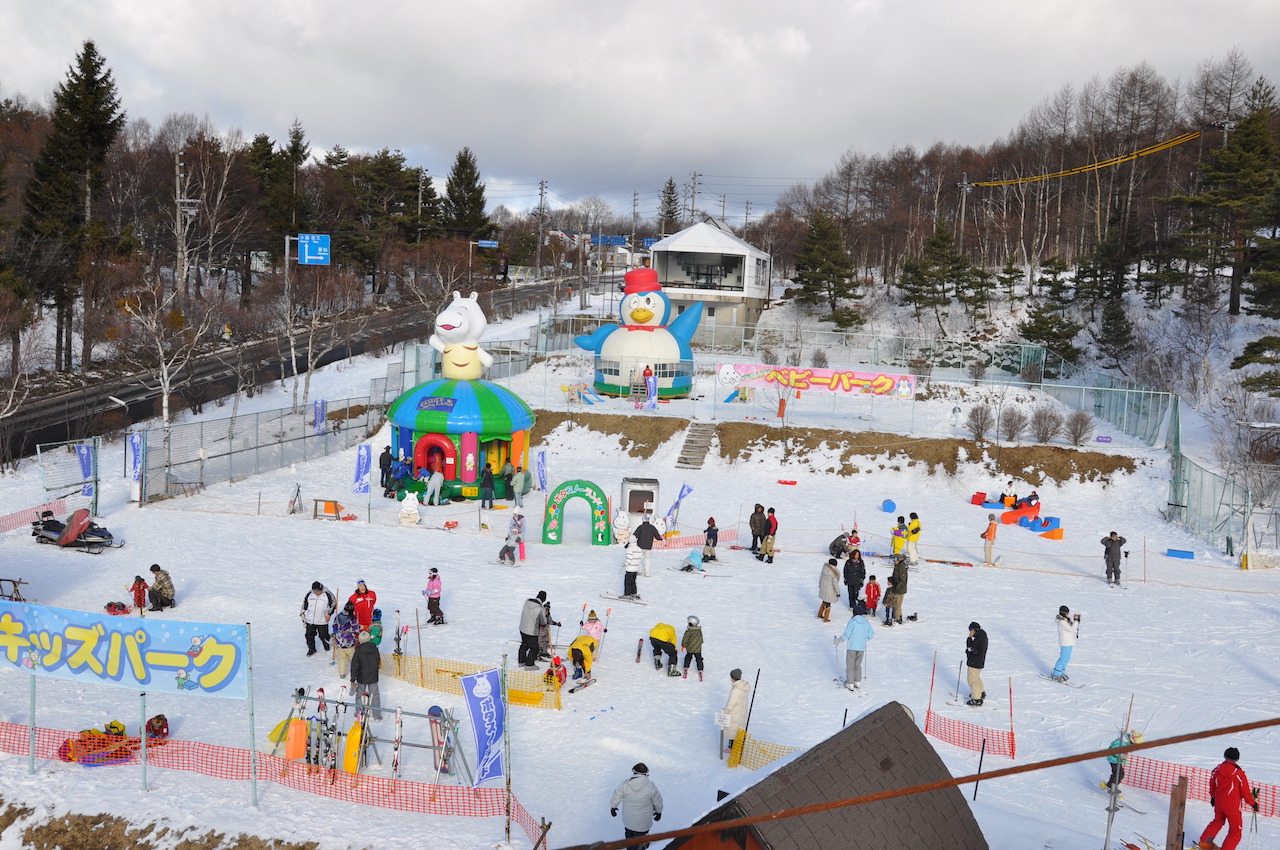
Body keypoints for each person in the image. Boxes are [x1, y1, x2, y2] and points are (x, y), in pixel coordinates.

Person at [1197, 747, 1259, 850]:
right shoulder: (1239, 773)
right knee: (1236, 831)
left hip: (1219, 802)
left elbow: (1212, 782)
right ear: (1237, 759)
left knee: (1217, 821)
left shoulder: (1217, 769)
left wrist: (1212, 796)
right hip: (1232, 806)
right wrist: (1253, 803)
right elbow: (1245, 792)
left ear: (1225, 756)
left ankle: (1204, 843)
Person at [610, 763, 663, 849]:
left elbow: (617, 795)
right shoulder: (651, 786)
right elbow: (658, 801)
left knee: (629, 842)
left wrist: (613, 807)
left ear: (634, 772)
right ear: (646, 773)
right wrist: (658, 812)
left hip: (628, 821)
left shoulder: (626, 784)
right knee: (639, 844)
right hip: (643, 824)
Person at [834, 601, 874, 690]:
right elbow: (871, 635)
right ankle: (857, 682)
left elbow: (847, 634)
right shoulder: (866, 622)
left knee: (850, 665)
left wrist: (838, 640)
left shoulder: (852, 621)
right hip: (861, 647)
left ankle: (850, 683)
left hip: (852, 647)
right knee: (857, 665)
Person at [349, 630, 383, 721]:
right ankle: (377, 715)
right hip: (373, 676)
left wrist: (352, 679)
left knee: (359, 695)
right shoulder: (375, 649)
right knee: (375, 695)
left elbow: (354, 666)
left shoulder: (358, 651)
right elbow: (377, 660)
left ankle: (358, 712)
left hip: (361, 677)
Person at [300, 581, 337, 657]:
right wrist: (303, 613)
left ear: (321, 589)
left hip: (322, 620)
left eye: (318, 591)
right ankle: (311, 649)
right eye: (315, 591)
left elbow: (333, 604)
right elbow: (304, 604)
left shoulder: (327, 594)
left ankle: (326, 646)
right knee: (309, 635)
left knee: (323, 636)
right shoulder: (309, 594)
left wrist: (329, 614)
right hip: (310, 620)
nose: (316, 593)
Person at [721, 668, 751, 751]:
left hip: (734, 713)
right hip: (741, 712)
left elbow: (731, 703)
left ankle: (731, 747)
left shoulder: (736, 690)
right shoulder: (743, 687)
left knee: (733, 730)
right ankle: (738, 745)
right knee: (738, 730)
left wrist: (725, 711)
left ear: (733, 678)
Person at [518, 591, 548, 669]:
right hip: (532, 632)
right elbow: (543, 622)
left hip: (522, 628)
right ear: (544, 599)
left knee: (524, 645)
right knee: (534, 649)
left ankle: (521, 661)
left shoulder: (527, 601)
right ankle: (529, 664)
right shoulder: (540, 608)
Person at [332, 601, 361, 678]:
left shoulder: (338, 617)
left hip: (340, 643)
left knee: (342, 659)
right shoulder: (353, 619)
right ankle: (356, 674)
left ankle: (342, 674)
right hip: (350, 643)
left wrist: (336, 635)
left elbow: (334, 627)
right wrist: (360, 627)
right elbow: (356, 629)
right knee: (353, 659)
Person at [1051, 604, 1079, 682]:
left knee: (1066, 659)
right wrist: (1076, 621)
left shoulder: (1065, 620)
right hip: (1065, 642)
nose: (1068, 614)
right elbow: (1072, 629)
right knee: (1063, 659)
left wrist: (1074, 621)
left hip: (1069, 642)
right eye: (1067, 613)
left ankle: (1061, 672)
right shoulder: (1062, 622)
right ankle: (1056, 674)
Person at [965, 622, 988, 705]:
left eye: (970, 630)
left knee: (972, 681)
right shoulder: (982, 637)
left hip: (974, 662)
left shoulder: (979, 639)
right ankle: (981, 692)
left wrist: (969, 639)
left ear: (974, 630)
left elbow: (972, 649)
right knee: (976, 678)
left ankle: (976, 698)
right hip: (979, 662)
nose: (969, 632)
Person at [680, 615, 704, 680]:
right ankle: (700, 669)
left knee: (688, 657)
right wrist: (699, 644)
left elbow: (685, 639)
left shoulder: (688, 631)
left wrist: (683, 645)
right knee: (699, 659)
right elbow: (701, 639)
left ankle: (686, 667)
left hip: (690, 649)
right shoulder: (699, 631)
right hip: (698, 649)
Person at [818, 557, 841, 622]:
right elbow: (835, 584)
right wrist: (838, 592)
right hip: (830, 590)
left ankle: (819, 614)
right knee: (828, 603)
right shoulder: (835, 572)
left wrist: (820, 585)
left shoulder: (824, 568)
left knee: (824, 601)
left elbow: (820, 578)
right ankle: (826, 618)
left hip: (823, 587)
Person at [890, 554, 909, 623]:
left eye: (895, 560)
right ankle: (898, 617)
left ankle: (898, 619)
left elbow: (903, 580)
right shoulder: (897, 566)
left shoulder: (902, 567)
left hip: (900, 590)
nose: (894, 561)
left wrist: (898, 586)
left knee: (897, 605)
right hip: (896, 588)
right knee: (896, 604)